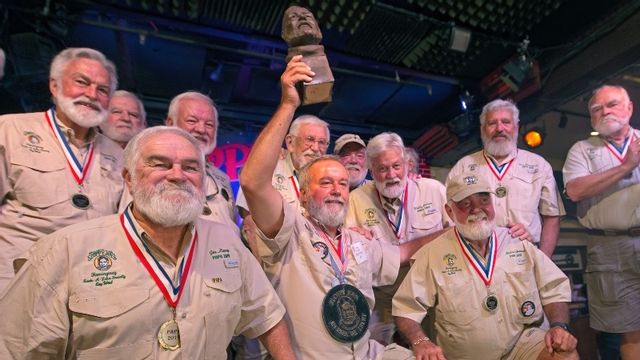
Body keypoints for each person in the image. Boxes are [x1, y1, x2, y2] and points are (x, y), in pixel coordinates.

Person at [0, 126, 295, 359]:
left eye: (191, 167)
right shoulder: (64, 250)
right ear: (128, 178)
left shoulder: (225, 241)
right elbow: (16, 349)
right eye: (159, 164)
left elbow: (268, 315)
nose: (177, 175)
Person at [239, 54, 438, 359]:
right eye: (325, 183)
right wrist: (288, 104)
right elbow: (253, 182)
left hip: (364, 351)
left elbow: (402, 253)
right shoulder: (289, 230)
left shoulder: (358, 240)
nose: (336, 191)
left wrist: (452, 233)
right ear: (303, 195)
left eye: (343, 184)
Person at [392, 172, 578, 360]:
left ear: (492, 202)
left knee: (563, 354)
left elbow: (554, 289)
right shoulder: (432, 254)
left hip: (523, 345)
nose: (476, 209)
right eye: (465, 203)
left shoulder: (518, 242)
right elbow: (405, 308)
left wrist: (559, 326)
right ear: (449, 211)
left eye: (483, 200)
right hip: (466, 356)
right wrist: (420, 341)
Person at [0, 47, 124, 292]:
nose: (91, 94)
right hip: (18, 287)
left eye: (102, 90)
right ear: (54, 86)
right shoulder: (8, 131)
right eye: (82, 82)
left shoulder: (118, 155)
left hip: (87, 289)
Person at [346, 131, 451, 344]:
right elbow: (347, 249)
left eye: (396, 166)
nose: (391, 175)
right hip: (381, 296)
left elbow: (458, 236)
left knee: (436, 347)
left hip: (429, 294)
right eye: (382, 169)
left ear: (406, 163)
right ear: (371, 169)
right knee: (372, 349)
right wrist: (354, 237)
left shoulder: (433, 190)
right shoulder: (355, 200)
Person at [563, 84, 640, 359]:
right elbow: (574, 190)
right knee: (630, 330)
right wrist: (626, 166)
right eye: (597, 109)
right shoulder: (582, 150)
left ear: (629, 108)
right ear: (592, 118)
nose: (605, 111)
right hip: (610, 246)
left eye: (612, 104)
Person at [447, 99, 565, 258]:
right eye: (492, 123)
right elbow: (450, 217)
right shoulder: (463, 167)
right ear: (482, 130)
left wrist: (543, 261)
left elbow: (552, 218)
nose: (499, 128)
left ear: (516, 127)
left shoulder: (539, 165)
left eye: (506, 122)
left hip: (525, 254)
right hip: (477, 256)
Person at [165, 91, 237, 229]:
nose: (201, 129)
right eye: (192, 121)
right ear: (170, 123)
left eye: (209, 124)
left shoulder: (222, 178)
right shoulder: (154, 170)